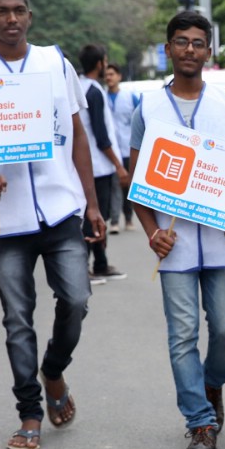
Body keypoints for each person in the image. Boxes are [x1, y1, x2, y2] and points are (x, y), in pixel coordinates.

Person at [0, 0, 105, 449]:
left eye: (19, 10)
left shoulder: (54, 63)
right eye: (1, 11)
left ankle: (54, 370)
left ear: (29, 15)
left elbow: (79, 136)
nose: (11, 19)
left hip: (61, 207)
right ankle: (29, 412)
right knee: (17, 318)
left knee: (77, 298)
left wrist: (93, 204)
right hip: (8, 220)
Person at [129, 10, 225, 449]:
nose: (189, 50)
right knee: (182, 334)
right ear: (168, 49)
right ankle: (200, 421)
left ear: (209, 51)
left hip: (221, 242)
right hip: (174, 246)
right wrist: (151, 232)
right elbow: (137, 181)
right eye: (181, 41)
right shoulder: (149, 107)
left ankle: (211, 384)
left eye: (198, 43)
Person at [77, 44, 129, 283]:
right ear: (100, 64)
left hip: (87, 164)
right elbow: (101, 136)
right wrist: (118, 165)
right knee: (94, 216)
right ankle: (85, 266)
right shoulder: (94, 91)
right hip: (97, 165)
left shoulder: (79, 86)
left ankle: (100, 263)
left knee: (96, 216)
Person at [104, 62, 138, 232]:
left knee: (128, 185)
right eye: (106, 75)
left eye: (112, 74)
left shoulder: (130, 97)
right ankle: (115, 221)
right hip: (111, 150)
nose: (109, 77)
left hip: (128, 147)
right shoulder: (101, 97)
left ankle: (129, 218)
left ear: (119, 77)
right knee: (116, 186)